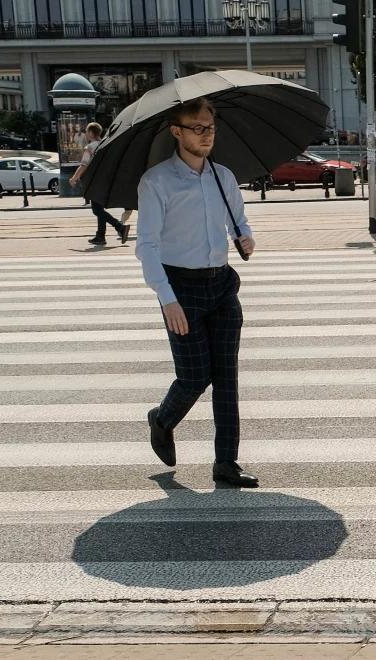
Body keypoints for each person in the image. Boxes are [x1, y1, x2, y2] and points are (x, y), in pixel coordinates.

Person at [135, 97, 258, 488]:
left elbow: (239, 219)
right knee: (193, 376)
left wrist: (246, 235)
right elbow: (147, 246)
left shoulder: (223, 176)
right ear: (177, 131)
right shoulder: (157, 182)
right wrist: (166, 297)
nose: (206, 135)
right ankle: (163, 419)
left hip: (221, 284)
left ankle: (226, 462)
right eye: (197, 128)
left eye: (210, 128)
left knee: (226, 377)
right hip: (181, 288)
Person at [69, 122, 131, 246]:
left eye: (87, 132)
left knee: (97, 210)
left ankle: (120, 227)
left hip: (95, 182)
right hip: (106, 180)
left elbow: (84, 164)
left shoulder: (90, 147)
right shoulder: (106, 144)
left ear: (91, 133)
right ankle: (100, 236)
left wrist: (74, 177)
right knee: (99, 209)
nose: (86, 134)